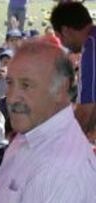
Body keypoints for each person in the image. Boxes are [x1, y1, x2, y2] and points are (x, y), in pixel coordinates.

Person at [0, 40, 96, 203]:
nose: (11, 97)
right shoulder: (29, 135)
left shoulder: (63, 175)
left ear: (60, 90)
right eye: (10, 83)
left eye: (26, 85)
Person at [50, 2, 96, 135]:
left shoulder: (91, 50)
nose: (63, 44)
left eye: (59, 38)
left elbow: (85, 114)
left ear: (65, 31)